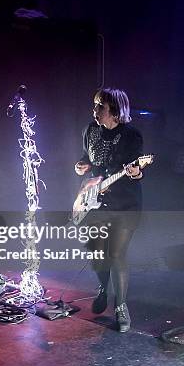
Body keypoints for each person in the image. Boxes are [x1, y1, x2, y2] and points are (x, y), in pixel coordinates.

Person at [74, 87, 143, 333]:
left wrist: (136, 172)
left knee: (117, 253)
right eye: (94, 105)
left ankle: (121, 307)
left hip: (125, 204)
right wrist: (82, 166)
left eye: (99, 107)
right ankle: (103, 288)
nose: (94, 111)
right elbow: (86, 158)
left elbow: (136, 170)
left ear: (114, 110)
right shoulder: (90, 130)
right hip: (95, 202)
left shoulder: (132, 136)